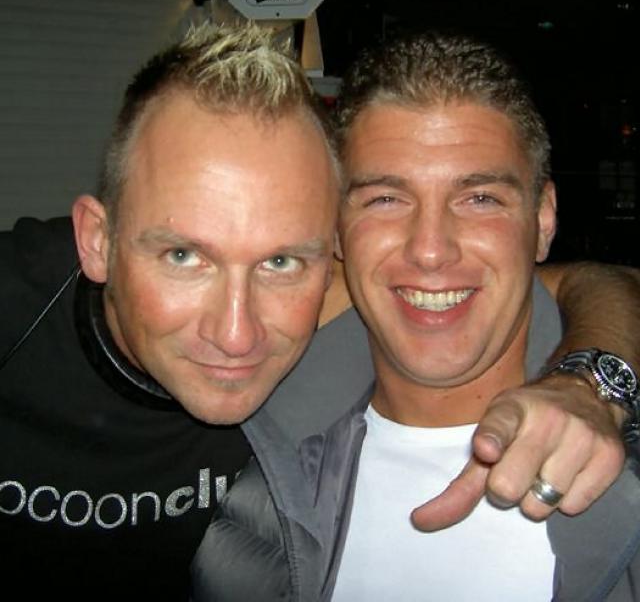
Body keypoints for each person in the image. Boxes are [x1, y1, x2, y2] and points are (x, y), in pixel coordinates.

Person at [0, 23, 636, 600]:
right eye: (184, 255)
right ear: (97, 240)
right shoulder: (23, 301)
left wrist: (595, 383)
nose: (235, 335)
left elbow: (588, 281)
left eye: (480, 199)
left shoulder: (323, 339)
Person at [191, 30, 640, 601]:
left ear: (543, 219)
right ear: (335, 228)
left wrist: (595, 385)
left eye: (480, 198)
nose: (430, 250)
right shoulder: (241, 430)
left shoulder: (619, 442)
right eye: (386, 199)